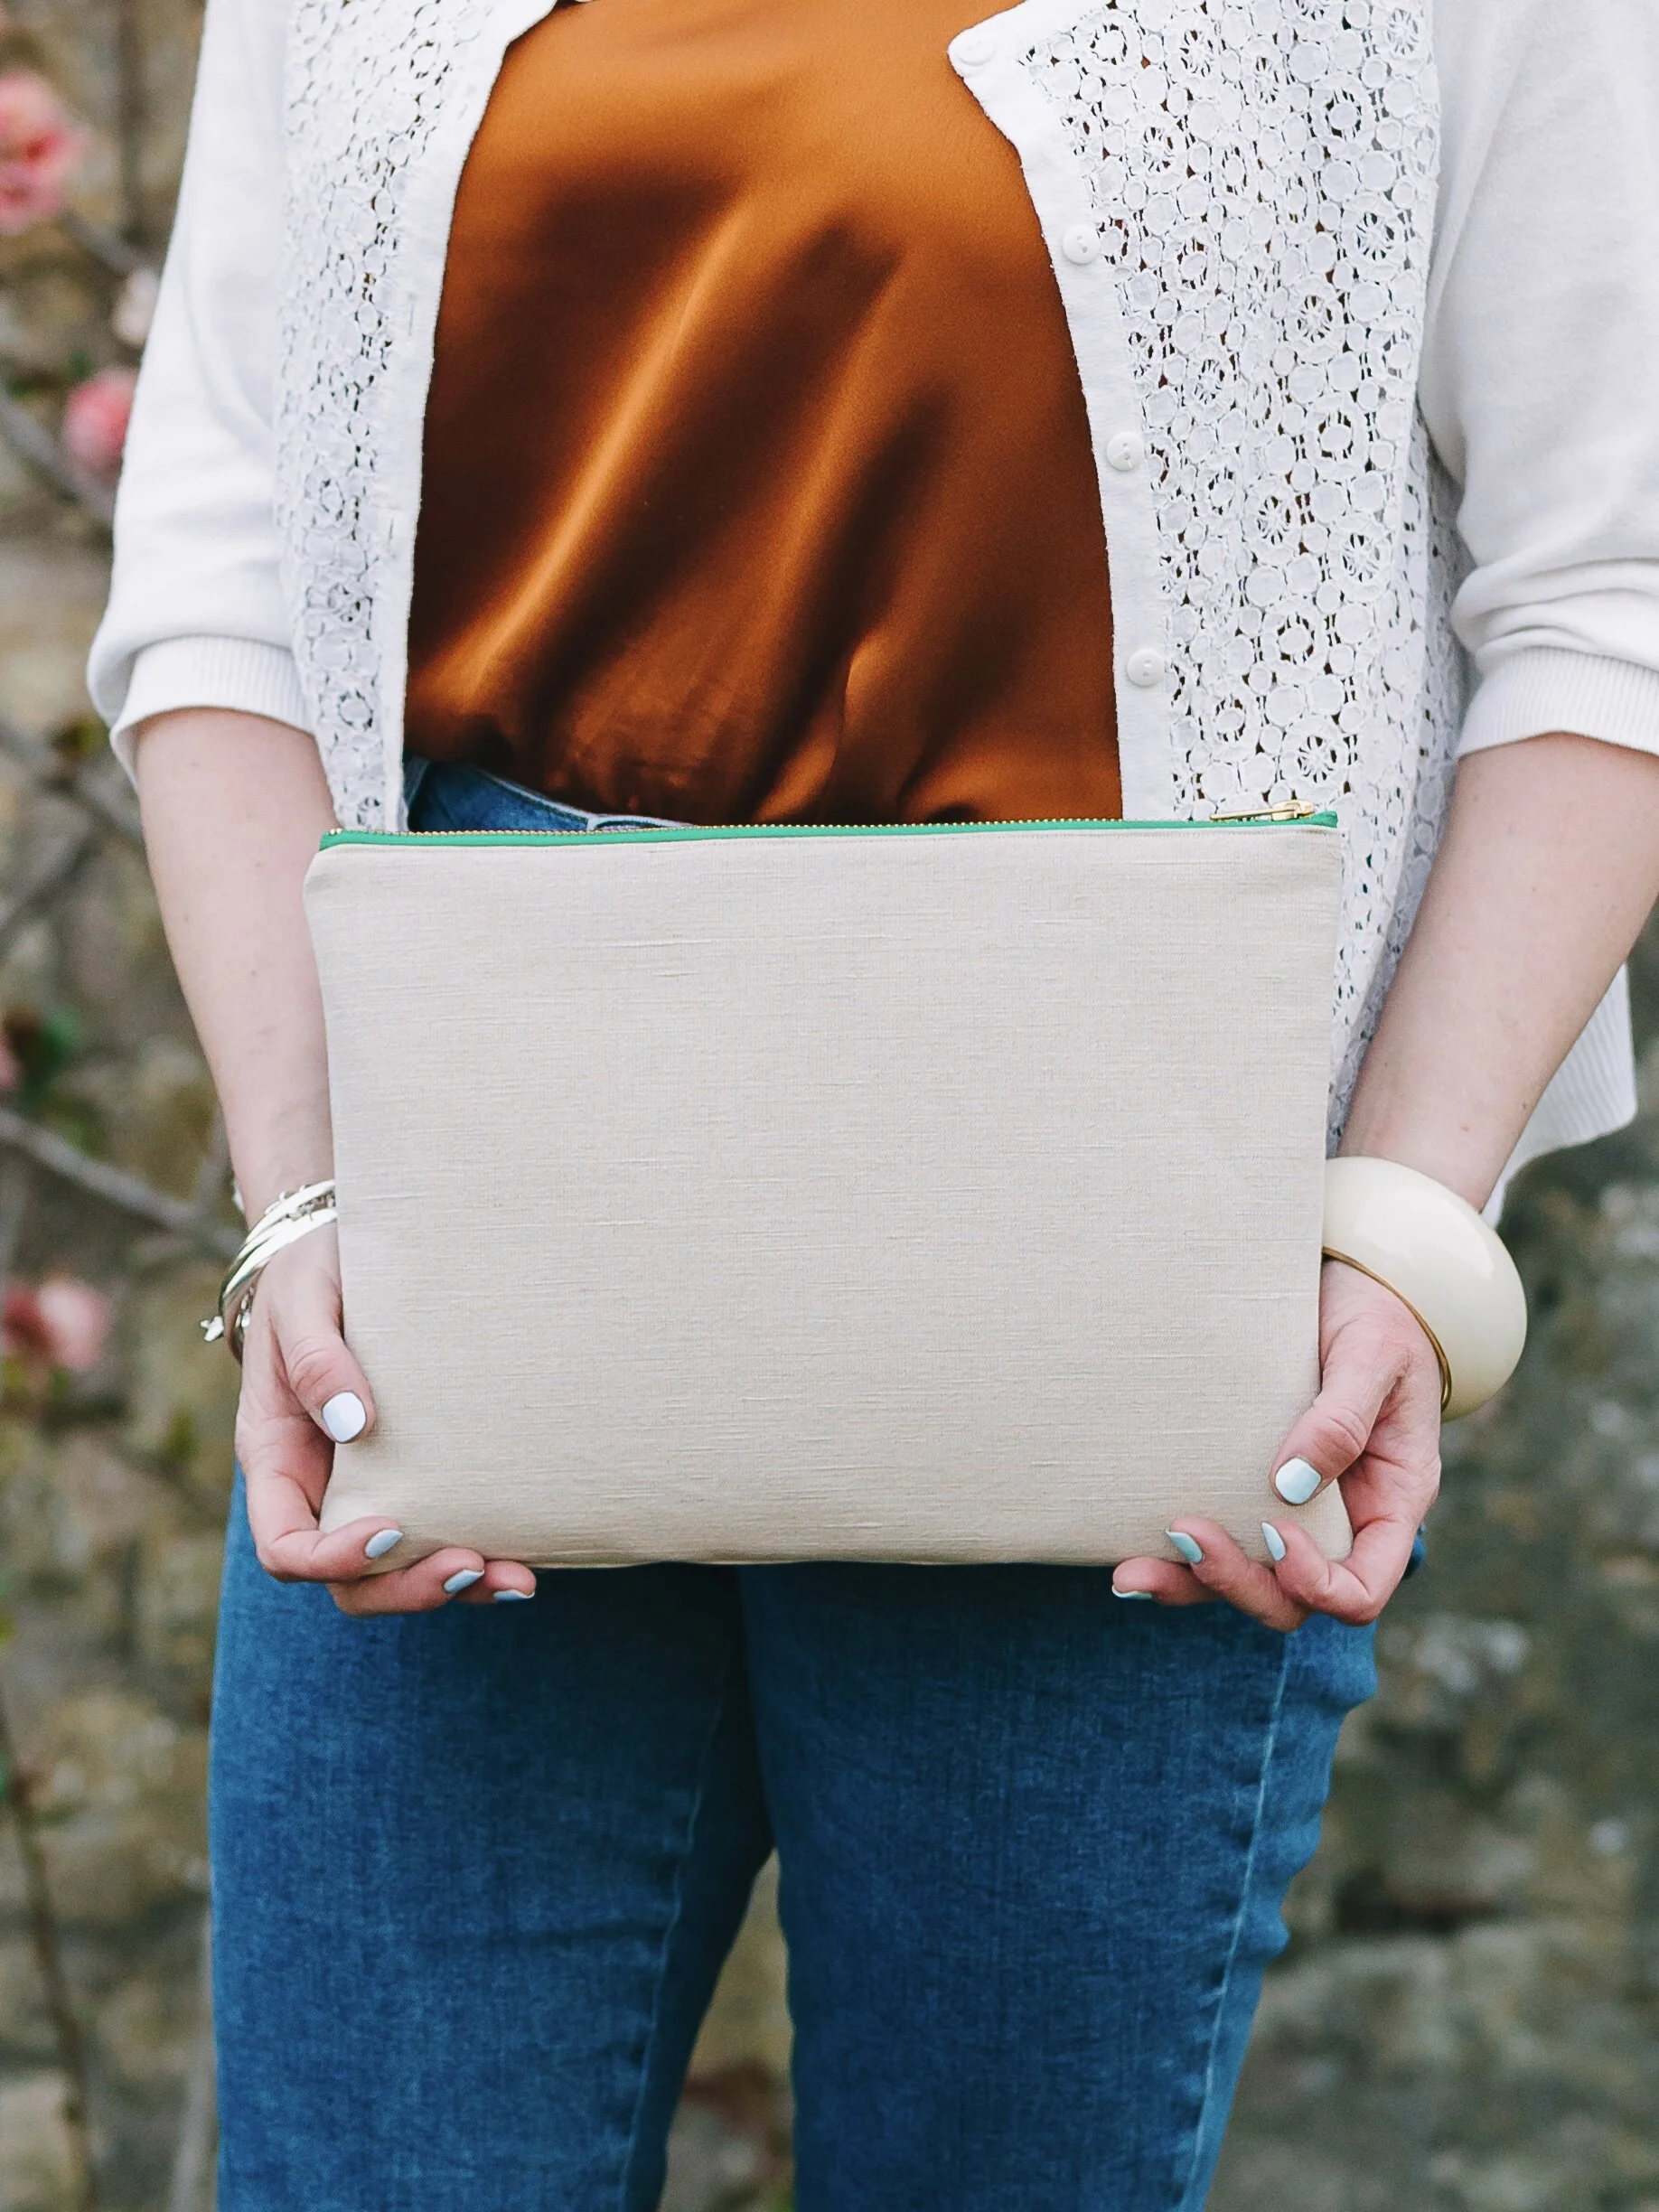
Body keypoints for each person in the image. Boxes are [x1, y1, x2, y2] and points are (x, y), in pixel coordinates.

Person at [88, 0, 1659, 2203]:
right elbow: (229, 569)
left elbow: (1607, 590)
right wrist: (303, 1200)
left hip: (1120, 1224)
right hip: (468, 1201)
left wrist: (1395, 1225)